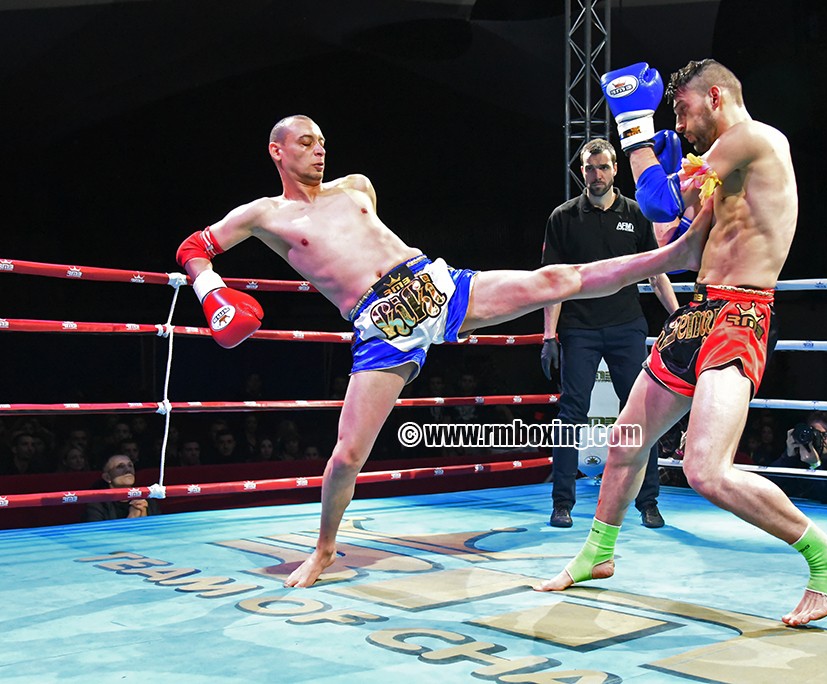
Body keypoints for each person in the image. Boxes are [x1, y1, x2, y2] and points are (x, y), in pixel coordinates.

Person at [173, 114, 710, 588]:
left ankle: (675, 252)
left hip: (435, 286)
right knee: (347, 455)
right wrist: (212, 292)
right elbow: (193, 249)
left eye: (322, 142)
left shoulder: (355, 187)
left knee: (554, 280)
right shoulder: (264, 215)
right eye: (308, 142)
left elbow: (373, 238)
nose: (320, 150)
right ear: (278, 151)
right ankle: (323, 549)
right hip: (382, 326)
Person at [538, 59, 827, 627]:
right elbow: (681, 245)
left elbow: (660, 200)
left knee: (705, 470)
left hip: (741, 317)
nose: (680, 125)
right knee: (625, 441)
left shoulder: (755, 140)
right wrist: (602, 270)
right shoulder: (725, 175)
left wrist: (635, 130)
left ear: (713, 96)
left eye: (682, 110)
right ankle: (598, 554)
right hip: (697, 314)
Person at [541, 138, 679, 529]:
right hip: (580, 327)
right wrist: (549, 336)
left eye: (602, 167)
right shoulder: (563, 217)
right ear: (581, 170)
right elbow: (553, 282)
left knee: (641, 414)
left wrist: (680, 316)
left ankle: (648, 502)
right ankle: (561, 502)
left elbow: (655, 271)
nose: (596, 174)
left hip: (625, 326)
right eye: (589, 168)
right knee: (571, 416)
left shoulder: (636, 214)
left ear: (615, 169)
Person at [83, 454, 161, 522]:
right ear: (107, 477)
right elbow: (97, 535)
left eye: (130, 465)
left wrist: (144, 519)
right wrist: (132, 517)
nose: (128, 470)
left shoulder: (147, 500)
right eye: (120, 466)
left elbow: (159, 530)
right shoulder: (97, 504)